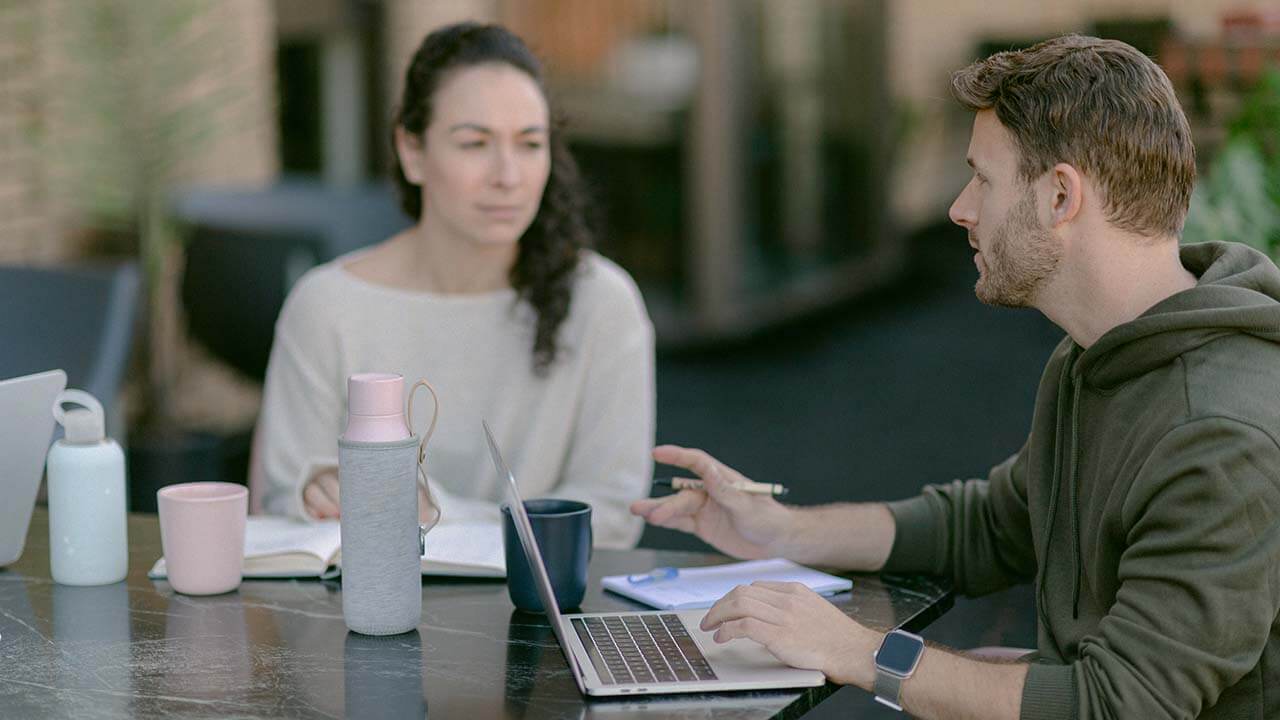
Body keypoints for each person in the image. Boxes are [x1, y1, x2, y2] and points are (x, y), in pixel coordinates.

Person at [632, 35, 1280, 719]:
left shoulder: (1218, 434)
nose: (959, 208)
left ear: (1061, 196)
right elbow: (991, 525)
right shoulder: (1097, 355)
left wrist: (864, 654)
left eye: (983, 179)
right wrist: (781, 531)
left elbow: (1113, 706)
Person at [252, 22, 655, 549]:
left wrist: (430, 512)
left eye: (530, 144)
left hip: (540, 600)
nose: (508, 175)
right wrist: (315, 494)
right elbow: (278, 504)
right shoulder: (327, 305)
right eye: (474, 143)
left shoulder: (601, 301)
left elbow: (612, 519)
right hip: (366, 593)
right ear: (412, 151)